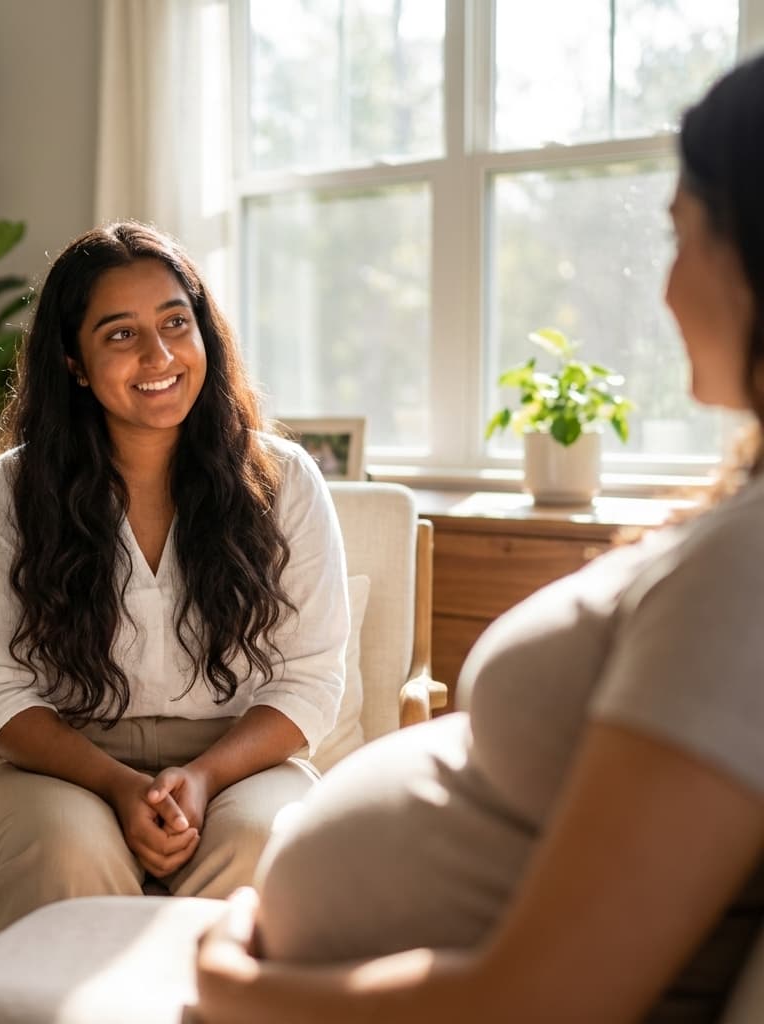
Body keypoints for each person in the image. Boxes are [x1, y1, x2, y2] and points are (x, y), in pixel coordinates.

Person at [195, 53, 764, 1024]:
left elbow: (545, 994)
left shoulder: (747, 569)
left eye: (682, 238)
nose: (664, 289)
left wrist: (242, 989)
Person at [0, 221, 349, 937]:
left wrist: (201, 778)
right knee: (68, 853)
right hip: (58, 764)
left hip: (241, 759)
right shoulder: (14, 490)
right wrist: (115, 784)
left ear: (205, 333)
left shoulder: (286, 481)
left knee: (263, 845)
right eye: (120, 334)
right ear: (74, 361)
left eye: (175, 322)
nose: (159, 354)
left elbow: (309, 680)